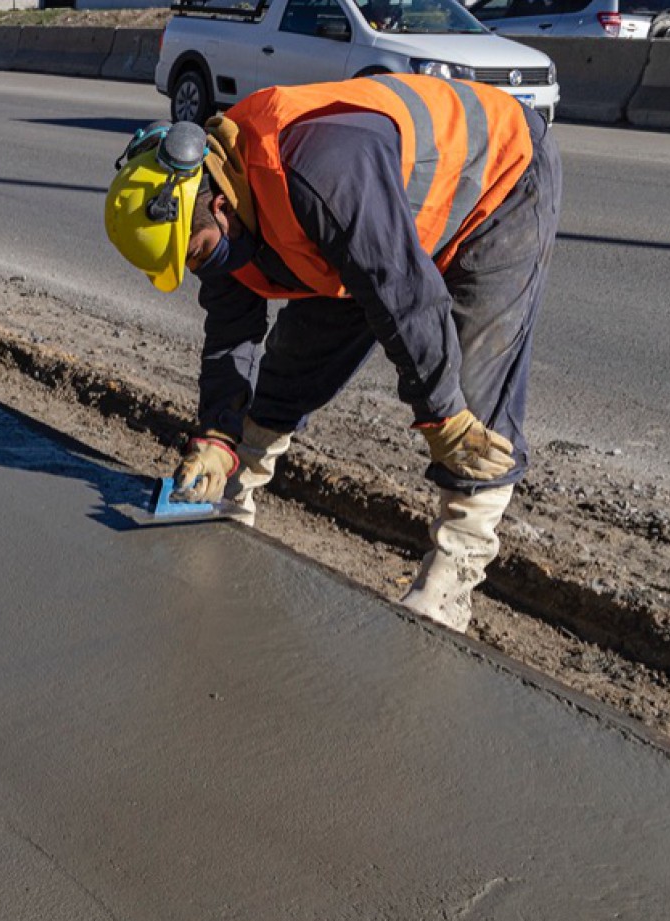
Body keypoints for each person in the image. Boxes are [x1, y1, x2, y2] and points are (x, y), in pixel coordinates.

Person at [105, 76, 561, 631]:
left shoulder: (320, 172)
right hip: (373, 228)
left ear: (219, 203)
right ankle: (230, 489)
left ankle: (450, 578)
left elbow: (403, 294)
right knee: (297, 357)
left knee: (472, 393)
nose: (201, 266)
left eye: (198, 252)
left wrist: (440, 413)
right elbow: (231, 331)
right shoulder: (216, 209)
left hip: (501, 179)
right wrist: (217, 435)